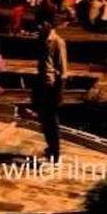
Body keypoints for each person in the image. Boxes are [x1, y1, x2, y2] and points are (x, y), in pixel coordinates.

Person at [34, 10, 67, 161]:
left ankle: (55, 151)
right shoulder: (42, 39)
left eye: (42, 24)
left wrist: (60, 93)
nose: (39, 27)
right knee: (44, 119)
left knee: (52, 120)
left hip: (51, 86)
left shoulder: (57, 42)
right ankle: (50, 147)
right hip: (42, 82)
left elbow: (63, 70)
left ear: (49, 23)